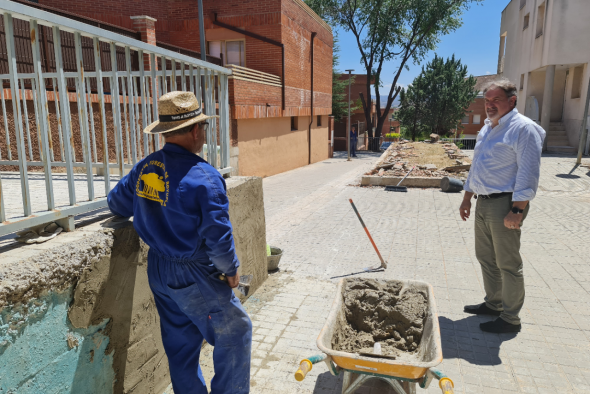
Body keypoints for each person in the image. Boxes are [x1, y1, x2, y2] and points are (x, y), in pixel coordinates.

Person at [107, 91, 252, 393]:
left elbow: (117, 204)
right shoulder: (205, 178)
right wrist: (231, 270)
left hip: (159, 269)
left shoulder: (145, 168)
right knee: (236, 333)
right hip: (194, 272)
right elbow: (218, 237)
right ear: (197, 130)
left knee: (181, 344)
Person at [459, 80, 545, 334]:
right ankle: (494, 303)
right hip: (483, 202)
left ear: (512, 101)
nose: (489, 106)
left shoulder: (524, 129)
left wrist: (517, 210)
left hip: (506, 204)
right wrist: (466, 198)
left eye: (495, 100)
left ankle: (510, 318)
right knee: (486, 257)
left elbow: (529, 174)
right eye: (487, 101)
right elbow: (477, 168)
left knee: (508, 263)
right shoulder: (487, 129)